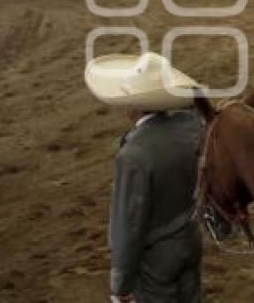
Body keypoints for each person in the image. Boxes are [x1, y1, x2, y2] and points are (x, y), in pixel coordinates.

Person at [84, 52, 206, 303]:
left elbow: (128, 226)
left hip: (156, 259)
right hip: (190, 240)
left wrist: (121, 285)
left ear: (133, 105)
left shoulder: (134, 155)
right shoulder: (192, 129)